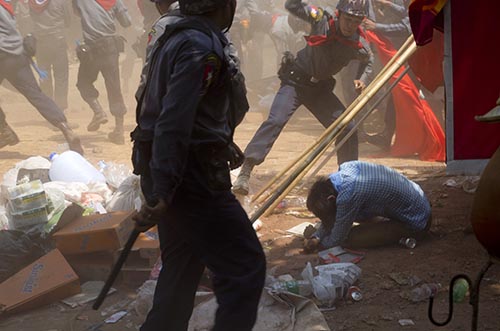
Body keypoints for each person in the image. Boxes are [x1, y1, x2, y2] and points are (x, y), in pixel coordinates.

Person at [130, 0, 266, 330]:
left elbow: (184, 110)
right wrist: (164, 190)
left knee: (181, 268)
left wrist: (218, 138)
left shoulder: (175, 34)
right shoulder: (198, 45)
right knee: (245, 266)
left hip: (170, 168)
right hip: (191, 179)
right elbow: (173, 122)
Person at [232, 0, 374, 195]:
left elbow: (369, 61)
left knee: (347, 128)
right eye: (348, 19)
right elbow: (293, 6)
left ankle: (349, 181)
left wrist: (362, 79)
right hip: (296, 82)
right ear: (339, 15)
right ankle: (246, 170)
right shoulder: (321, 18)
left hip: (320, 90)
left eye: (356, 21)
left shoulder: (359, 42)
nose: (351, 26)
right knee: (275, 121)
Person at [0, 0, 83, 154]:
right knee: (37, 95)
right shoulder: (6, 5)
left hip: (2, 56)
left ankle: (4, 130)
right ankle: (65, 128)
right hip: (19, 55)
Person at [304, 161, 432, 252]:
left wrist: (320, 244)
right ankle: (385, 225)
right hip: (418, 206)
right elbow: (333, 218)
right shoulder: (344, 171)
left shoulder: (348, 195)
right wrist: (317, 236)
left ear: (331, 199)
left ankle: (399, 230)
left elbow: (336, 240)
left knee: (353, 238)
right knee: (351, 217)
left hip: (417, 222)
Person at [72, 0, 132, 144]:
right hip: (110, 48)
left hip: (91, 50)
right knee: (114, 88)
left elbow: (76, 13)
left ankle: (98, 111)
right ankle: (118, 131)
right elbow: (127, 22)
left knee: (83, 83)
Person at [28, 0, 72, 111]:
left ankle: (49, 110)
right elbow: (68, 22)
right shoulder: (60, 2)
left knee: (44, 77)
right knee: (61, 76)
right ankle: (61, 110)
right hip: (58, 41)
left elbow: (31, 19)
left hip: (41, 43)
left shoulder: (32, 2)